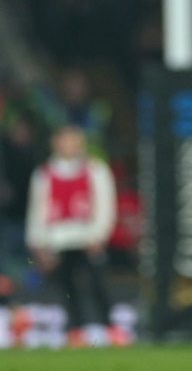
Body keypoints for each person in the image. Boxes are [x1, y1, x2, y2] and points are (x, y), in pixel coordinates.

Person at [24, 125, 129, 347]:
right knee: (65, 287)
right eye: (65, 140)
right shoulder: (44, 173)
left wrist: (100, 234)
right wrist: (38, 242)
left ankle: (112, 328)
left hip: (87, 238)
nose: (69, 146)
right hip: (58, 240)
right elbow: (37, 209)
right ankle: (75, 331)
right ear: (55, 143)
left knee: (98, 283)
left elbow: (105, 204)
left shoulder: (95, 169)